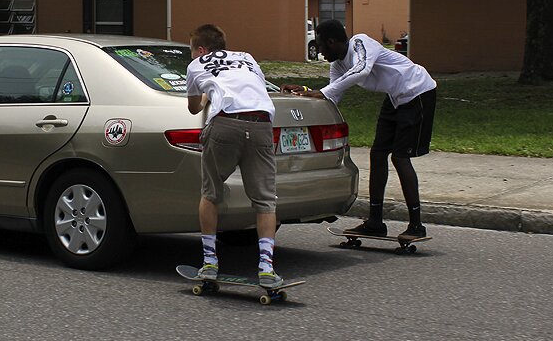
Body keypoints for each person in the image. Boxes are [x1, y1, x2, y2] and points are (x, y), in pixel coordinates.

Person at [282, 20, 437, 240]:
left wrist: (323, 92)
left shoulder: (360, 43)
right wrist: (305, 92)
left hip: (417, 91)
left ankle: (416, 225)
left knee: (400, 158)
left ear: (332, 41)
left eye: (321, 47)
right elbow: (332, 96)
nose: (320, 53)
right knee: (378, 154)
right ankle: (375, 222)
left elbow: (361, 70)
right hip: (395, 97)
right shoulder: (337, 65)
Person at [185, 24, 282, 287]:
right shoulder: (248, 58)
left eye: (193, 52)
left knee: (211, 193)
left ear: (201, 49)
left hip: (226, 124)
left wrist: (207, 95)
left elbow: (194, 107)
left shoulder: (196, 65)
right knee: (265, 200)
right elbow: (252, 88)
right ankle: (266, 267)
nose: (193, 57)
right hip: (262, 124)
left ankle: (209, 264)